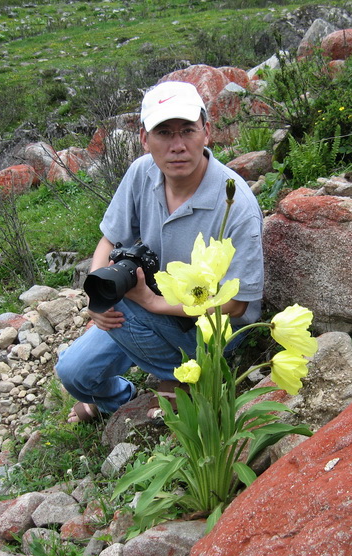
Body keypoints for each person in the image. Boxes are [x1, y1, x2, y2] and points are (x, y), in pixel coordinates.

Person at [56, 80, 265, 422]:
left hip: (212, 329)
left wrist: (149, 302)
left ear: (206, 132)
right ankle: (119, 399)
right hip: (155, 306)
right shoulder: (142, 173)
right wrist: (97, 295)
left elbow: (237, 304)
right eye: (164, 133)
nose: (178, 146)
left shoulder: (235, 203)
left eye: (187, 130)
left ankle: (191, 377)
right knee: (74, 373)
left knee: (122, 299)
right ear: (144, 139)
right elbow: (108, 241)